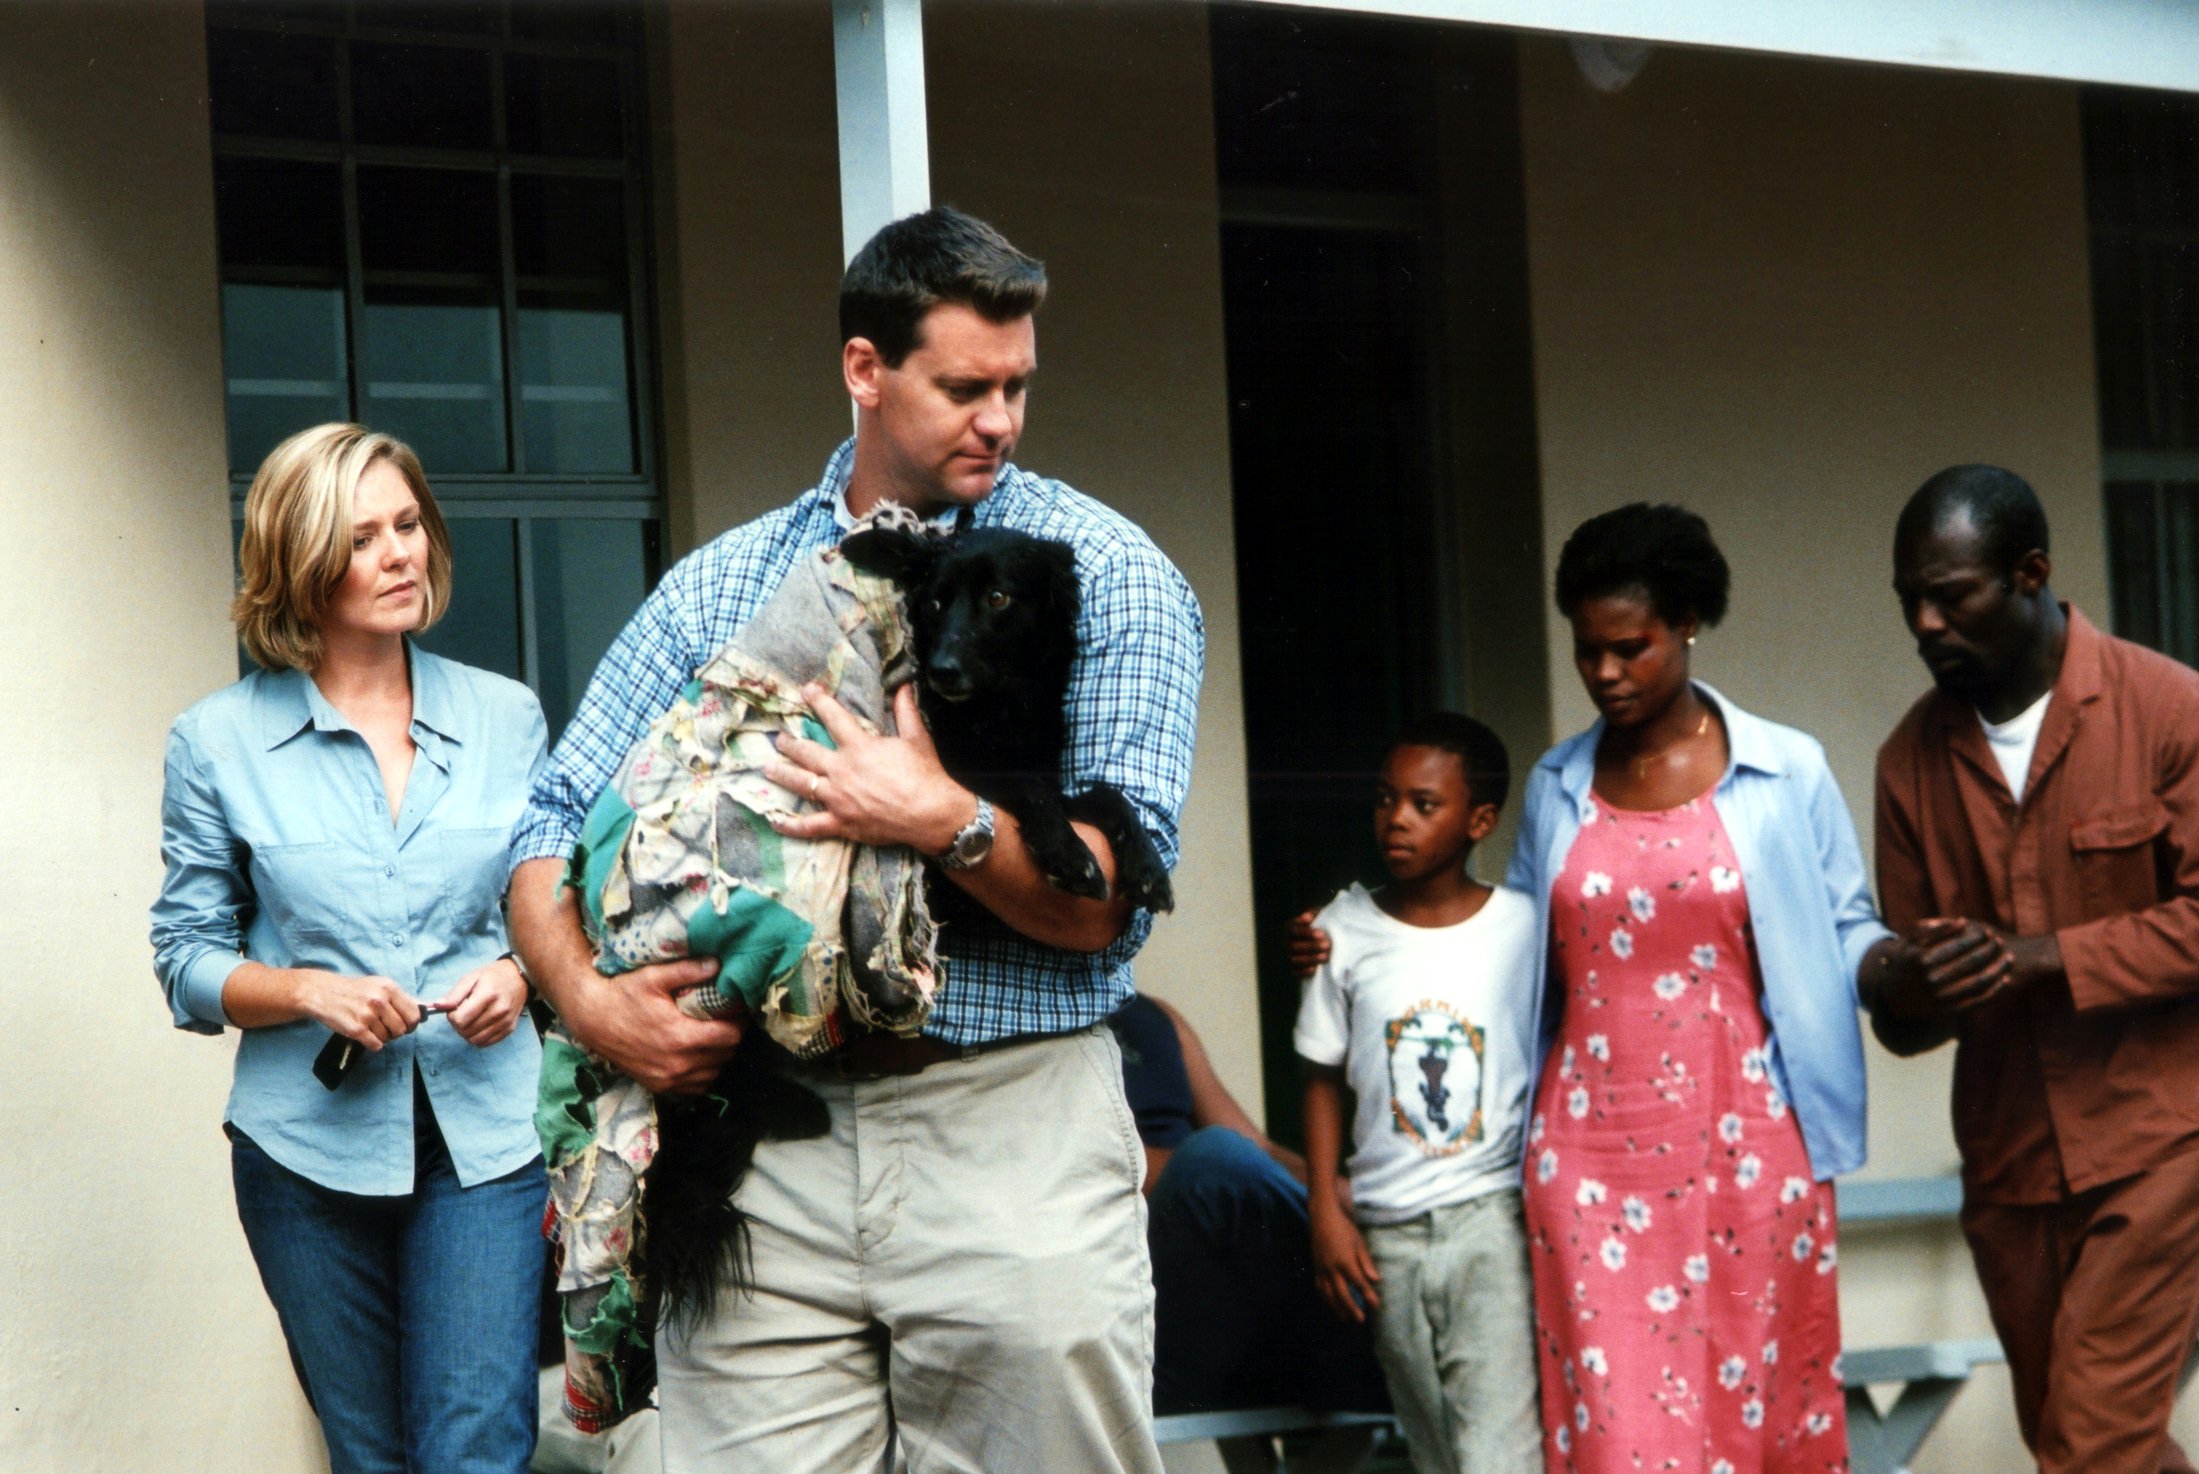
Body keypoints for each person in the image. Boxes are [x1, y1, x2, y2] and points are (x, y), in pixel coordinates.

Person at [504, 206, 1203, 1473]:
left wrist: (938, 817)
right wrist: (593, 1008)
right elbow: (546, 829)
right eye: (963, 386)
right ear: (865, 371)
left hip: (1011, 1124)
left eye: (1017, 387)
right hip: (765, 1143)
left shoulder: (1104, 572)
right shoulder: (722, 584)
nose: (999, 419)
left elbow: (1110, 898)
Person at [149, 423, 551, 1474]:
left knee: (476, 1449)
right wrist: (309, 992)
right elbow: (186, 960)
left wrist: (520, 975)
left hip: (487, 1140)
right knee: (371, 1459)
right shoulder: (216, 740)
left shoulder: (507, 718)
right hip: (304, 1155)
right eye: (362, 536)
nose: (400, 553)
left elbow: (562, 914)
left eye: (408, 524)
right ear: (302, 562)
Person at [1511, 503, 1890, 1473]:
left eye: (1628, 648)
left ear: (1687, 622)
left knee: (1750, 1418)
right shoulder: (1556, 785)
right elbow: (1507, 954)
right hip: (1586, 1162)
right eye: (1586, 650)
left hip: (1750, 1152)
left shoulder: (1783, 768)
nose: (1603, 673)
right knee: (1613, 1435)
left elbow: (1848, 927)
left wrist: (1904, 969)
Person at [1869, 465, 2199, 1474]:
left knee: (2090, 1448)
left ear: (2031, 574)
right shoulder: (1908, 761)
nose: (1926, 623)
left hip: (2156, 1144)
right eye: (1908, 602)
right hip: (2010, 1162)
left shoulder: (2167, 707)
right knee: (2089, 1441)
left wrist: (2040, 957)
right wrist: (1917, 983)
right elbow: (1908, 1022)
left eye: (1951, 595)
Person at [1291, 711, 1542, 1474]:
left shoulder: (1523, 929)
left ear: (1480, 820)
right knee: (1434, 1446)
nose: (1396, 819)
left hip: (1489, 1223)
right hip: (1385, 1237)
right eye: (1384, 799)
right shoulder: (1342, 929)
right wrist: (1326, 1213)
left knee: (1498, 1452)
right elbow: (1321, 1077)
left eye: (1423, 805)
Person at [1109, 992, 1390, 1417]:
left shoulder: (1155, 1016)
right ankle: (1388, 1346)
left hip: (1237, 1298)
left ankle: (1387, 1342)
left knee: (1385, 1206)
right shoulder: (1041, 1022)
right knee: (1213, 1158)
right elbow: (1092, 1166)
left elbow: (1257, 1146)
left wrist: (1337, 1197)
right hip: (1150, 1291)